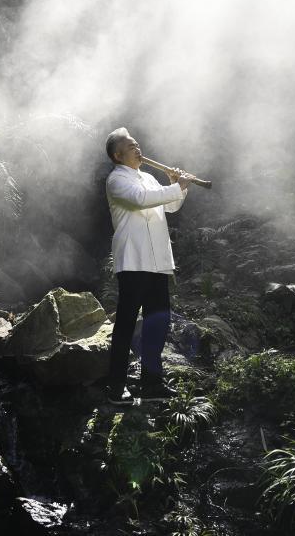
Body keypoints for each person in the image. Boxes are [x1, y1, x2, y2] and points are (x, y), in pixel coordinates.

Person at [105, 127, 192, 404]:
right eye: (131, 147)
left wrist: (179, 186)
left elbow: (170, 206)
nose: (138, 149)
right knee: (127, 324)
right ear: (118, 155)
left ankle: (152, 384)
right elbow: (142, 200)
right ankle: (116, 387)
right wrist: (175, 187)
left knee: (158, 322)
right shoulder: (116, 180)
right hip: (133, 260)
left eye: (137, 144)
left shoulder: (150, 178)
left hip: (157, 262)